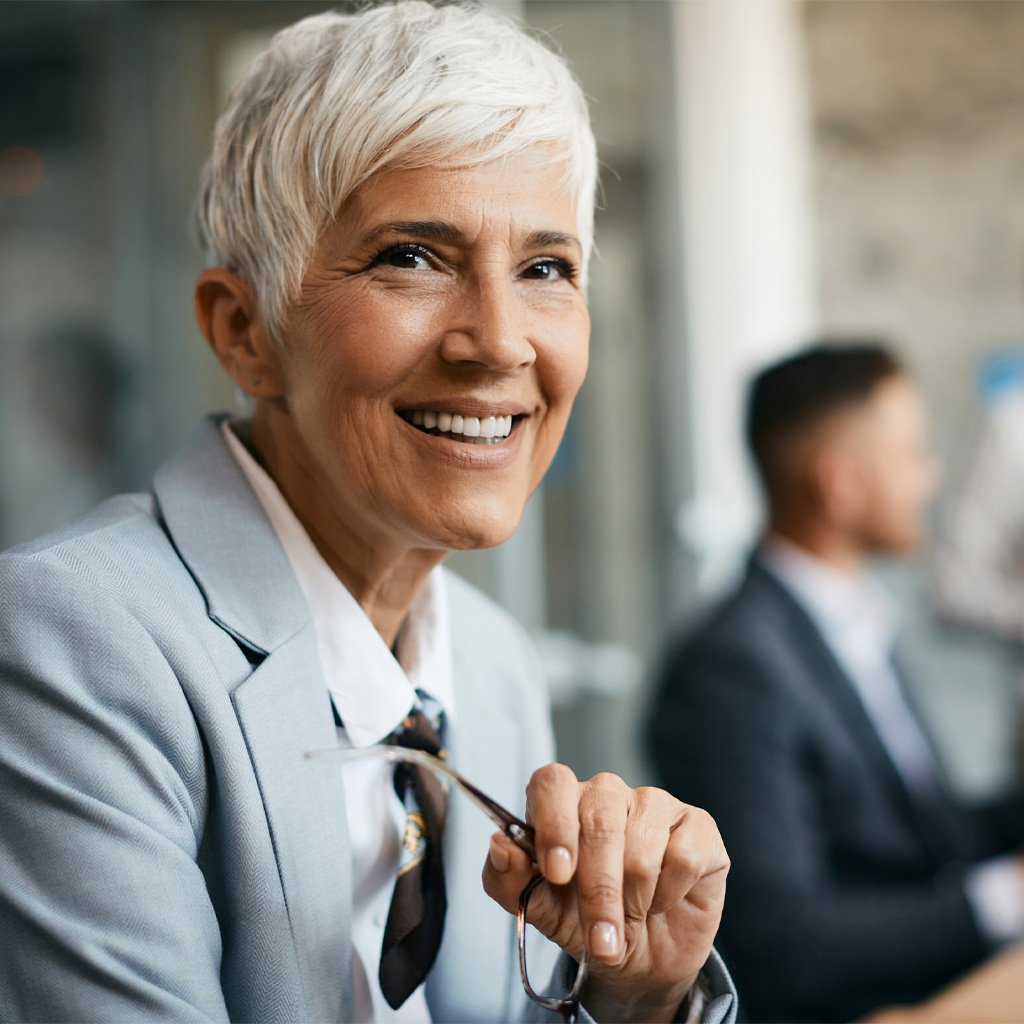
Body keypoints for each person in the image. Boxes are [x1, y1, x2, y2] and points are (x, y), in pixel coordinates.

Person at [0, 4, 736, 1022]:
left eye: (544, 268)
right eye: (412, 257)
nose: (499, 341)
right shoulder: (68, 635)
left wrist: (638, 997)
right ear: (243, 331)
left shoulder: (489, 662)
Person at [647, 343, 1024, 1023]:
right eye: (912, 456)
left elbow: (929, 836)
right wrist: (1006, 898)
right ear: (838, 482)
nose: (930, 479)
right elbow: (783, 943)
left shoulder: (851, 620)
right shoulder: (731, 669)